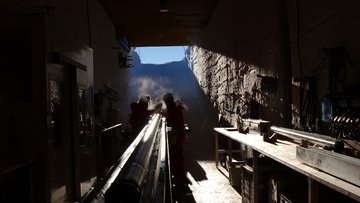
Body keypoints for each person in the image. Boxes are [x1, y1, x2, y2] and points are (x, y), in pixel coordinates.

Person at [161, 93, 187, 184]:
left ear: (167, 101)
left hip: (176, 135)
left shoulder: (173, 108)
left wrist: (162, 114)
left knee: (177, 155)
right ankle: (179, 175)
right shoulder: (174, 107)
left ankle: (180, 176)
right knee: (178, 155)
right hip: (178, 134)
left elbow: (171, 118)